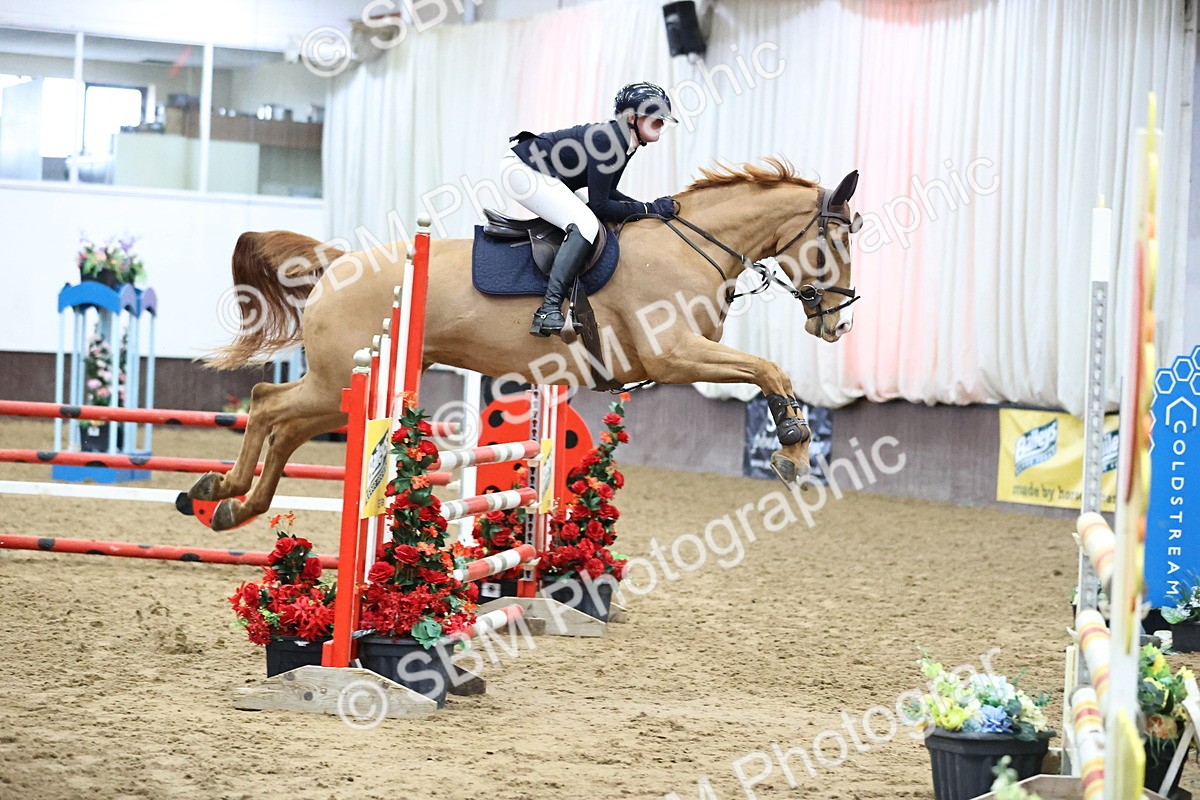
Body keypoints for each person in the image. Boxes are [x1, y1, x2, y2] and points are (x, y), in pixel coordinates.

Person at [500, 81, 678, 337]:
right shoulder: (610, 141)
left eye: (663, 120)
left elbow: (608, 194)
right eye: (655, 119)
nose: (660, 125)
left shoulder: (625, 141)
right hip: (523, 171)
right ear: (631, 118)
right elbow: (601, 206)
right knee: (585, 223)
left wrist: (646, 208)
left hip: (540, 171)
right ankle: (548, 309)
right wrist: (649, 209)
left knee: (586, 219)